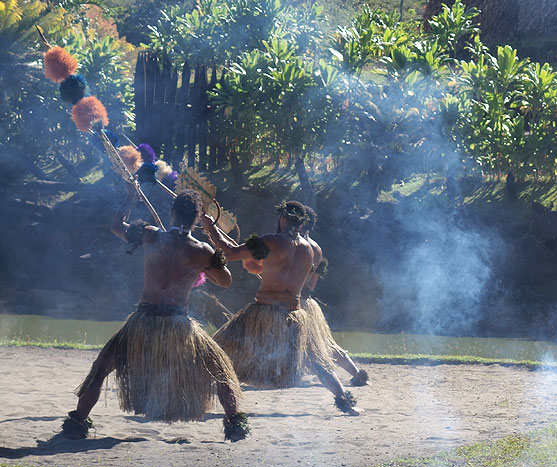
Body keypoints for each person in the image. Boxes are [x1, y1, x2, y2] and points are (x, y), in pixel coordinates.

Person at [62, 187, 249, 441]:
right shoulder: (201, 250)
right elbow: (225, 281)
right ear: (195, 219)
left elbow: (117, 226)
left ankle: (77, 424)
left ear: (171, 213)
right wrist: (211, 257)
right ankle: (235, 428)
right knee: (221, 372)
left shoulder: (150, 236)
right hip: (179, 326)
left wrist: (130, 196)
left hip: (142, 322)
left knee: (101, 369)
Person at [202, 201, 361, 415]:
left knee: (219, 349)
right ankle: (346, 403)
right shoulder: (309, 250)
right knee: (316, 360)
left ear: (283, 218)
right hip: (294, 314)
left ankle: (200, 394)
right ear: (302, 223)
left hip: (263, 311)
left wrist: (210, 227)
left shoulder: (270, 241)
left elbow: (229, 253)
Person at [299, 205, 368, 386]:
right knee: (325, 343)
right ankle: (357, 373)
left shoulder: (296, 246)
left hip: (293, 302)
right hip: (307, 300)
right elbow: (312, 284)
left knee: (315, 344)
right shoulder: (317, 248)